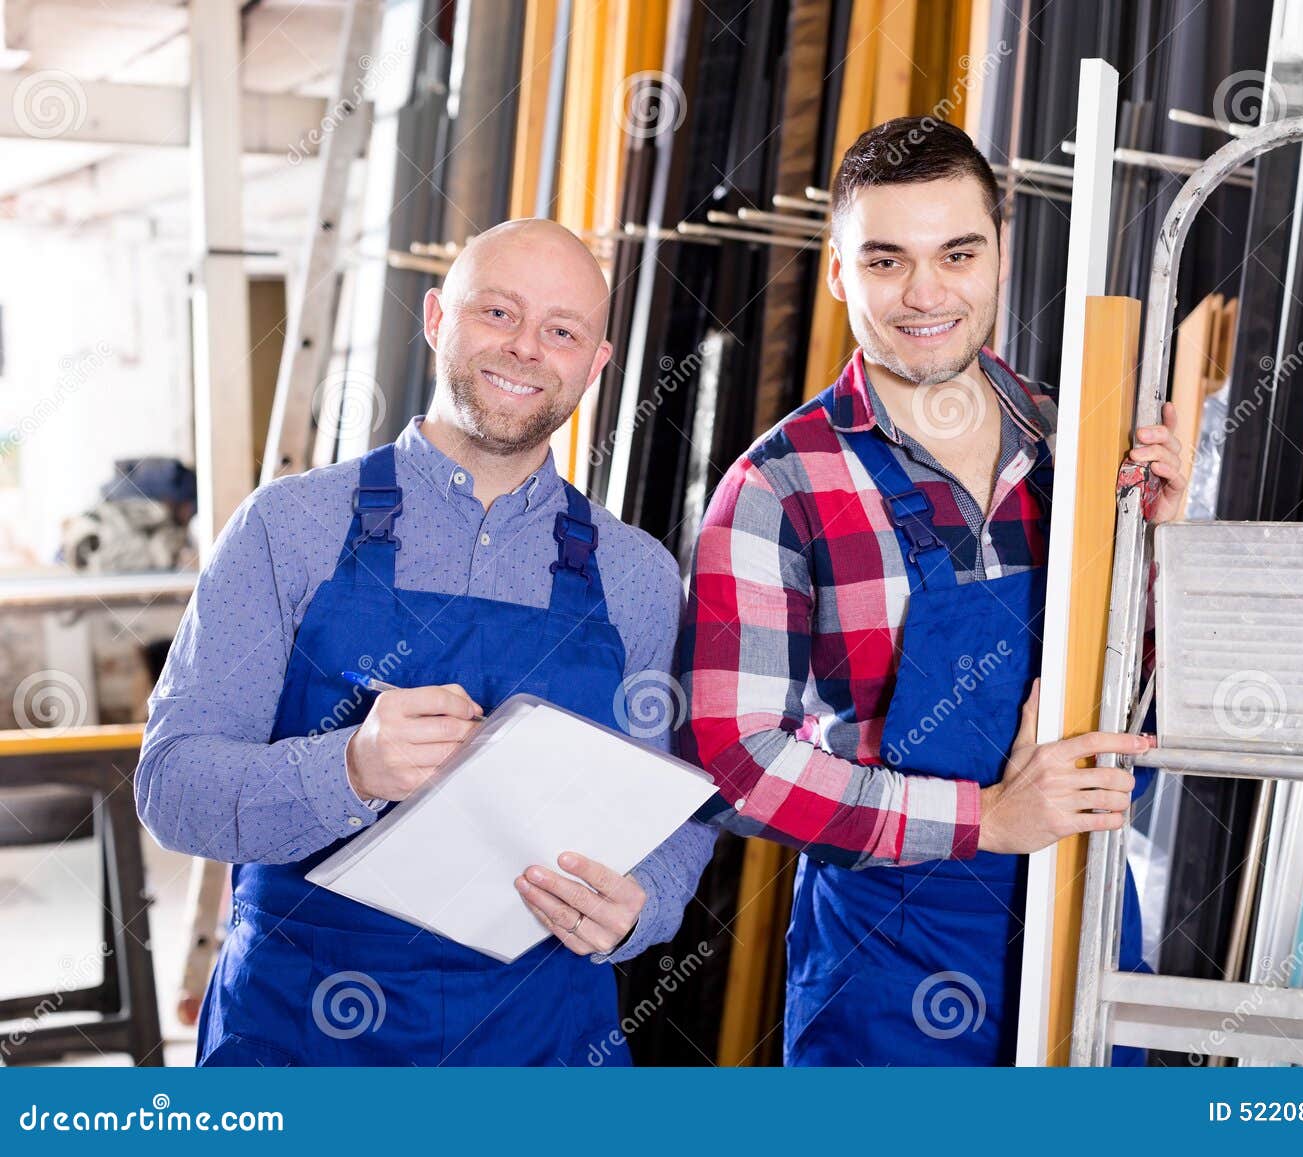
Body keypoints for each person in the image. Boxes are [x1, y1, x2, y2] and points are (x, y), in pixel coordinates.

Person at [138, 219, 714, 1067]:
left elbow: (677, 809)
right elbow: (171, 785)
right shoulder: (288, 528)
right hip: (301, 1038)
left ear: (596, 365)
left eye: (562, 331)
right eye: (498, 313)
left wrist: (643, 907)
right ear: (437, 316)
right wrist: (349, 768)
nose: (525, 349)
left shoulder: (638, 577)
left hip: (540, 1045)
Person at [678, 119, 1186, 1065]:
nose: (925, 294)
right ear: (837, 274)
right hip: (889, 967)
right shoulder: (777, 486)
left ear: (1000, 253)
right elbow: (733, 760)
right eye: (885, 260)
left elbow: (1151, 700)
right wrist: (986, 820)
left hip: (1085, 924)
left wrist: (1163, 543)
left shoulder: (1080, 447)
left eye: (957, 253)